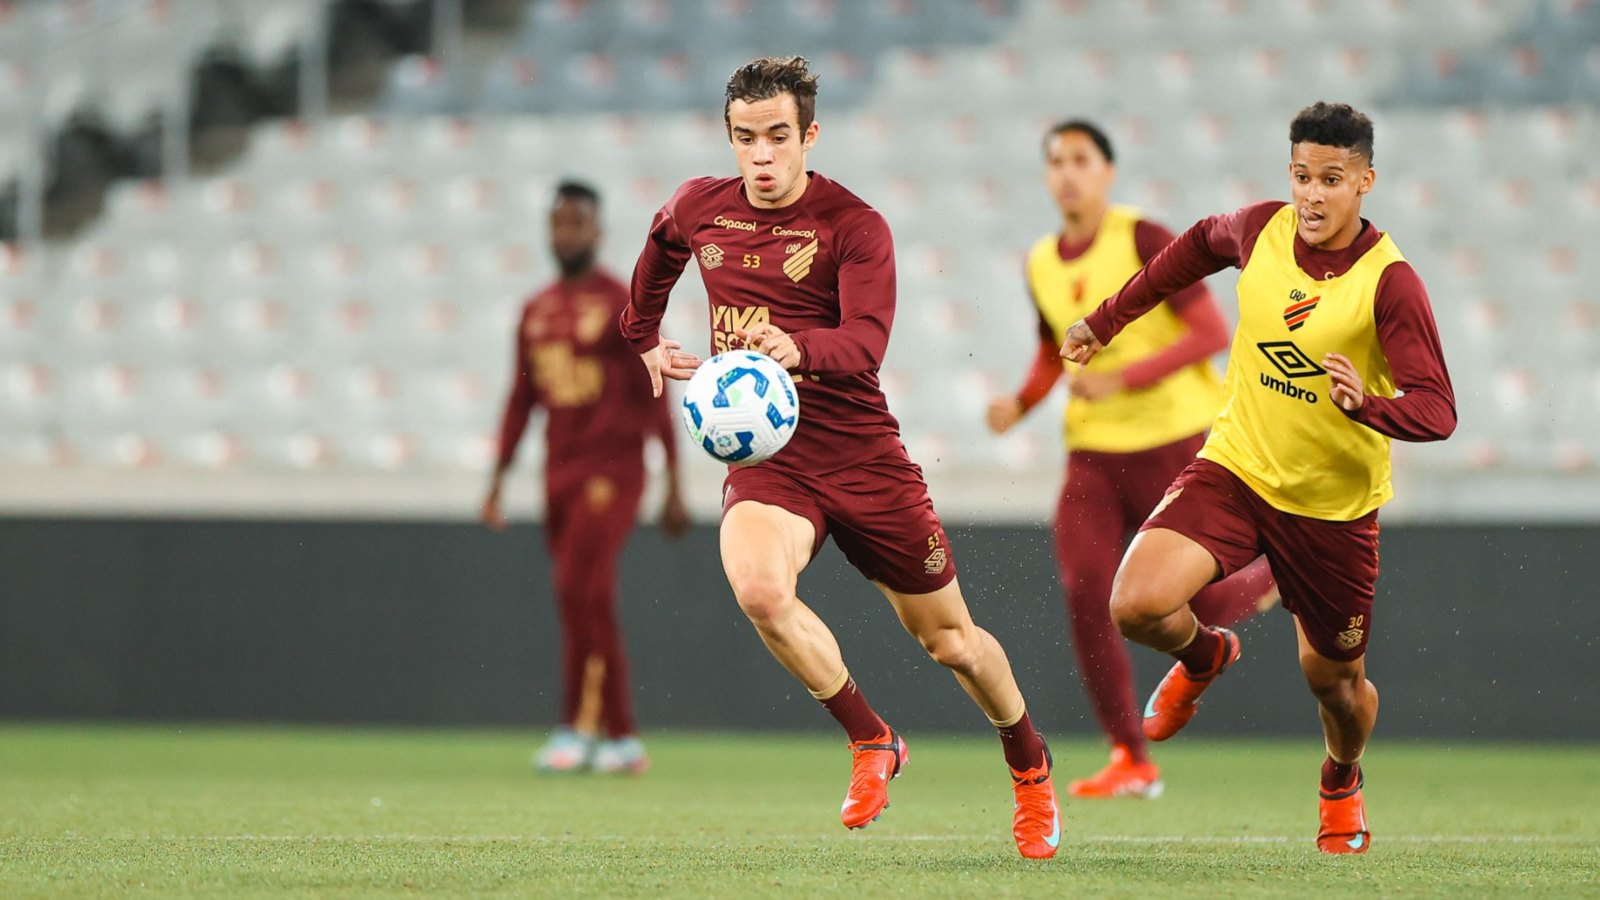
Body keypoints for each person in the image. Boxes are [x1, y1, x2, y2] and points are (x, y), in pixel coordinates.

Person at [620, 56, 1061, 859]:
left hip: (863, 458)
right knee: (760, 590)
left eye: (777, 136)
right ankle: (871, 739)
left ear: (810, 135)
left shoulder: (854, 225)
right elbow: (660, 248)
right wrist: (641, 334)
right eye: (745, 138)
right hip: (771, 462)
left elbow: (866, 342)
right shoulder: (700, 206)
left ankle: (1029, 762)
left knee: (952, 642)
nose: (761, 154)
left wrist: (799, 347)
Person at [1060, 102, 1456, 853]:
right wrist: (1107, 319)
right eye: (1302, 176)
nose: (1312, 194)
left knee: (1336, 688)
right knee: (1135, 604)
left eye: (1331, 179)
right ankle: (1205, 654)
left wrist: (1367, 405)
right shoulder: (1260, 229)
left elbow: (1438, 409)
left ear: (1365, 182)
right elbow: (1190, 250)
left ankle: (1341, 776)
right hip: (1235, 470)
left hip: (1331, 510)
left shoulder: (1389, 282)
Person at [987, 120, 1279, 800]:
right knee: (1087, 591)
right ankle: (1130, 756)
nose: (1067, 173)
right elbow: (1053, 350)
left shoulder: (1142, 237)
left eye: (1080, 159)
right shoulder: (1041, 261)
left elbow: (1210, 331)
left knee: (1198, 599)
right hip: (1093, 453)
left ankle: (1278, 571)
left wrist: (1123, 378)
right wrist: (1022, 403)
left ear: (1108, 171)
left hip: (1176, 444)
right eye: (1056, 161)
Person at [484, 179, 689, 776]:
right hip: (559, 472)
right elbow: (521, 400)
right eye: (558, 223)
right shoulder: (536, 310)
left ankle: (589, 729)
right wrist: (497, 480)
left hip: (613, 472)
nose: (566, 234)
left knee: (581, 589)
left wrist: (674, 481)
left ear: (597, 230)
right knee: (579, 597)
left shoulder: (623, 305)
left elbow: (654, 394)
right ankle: (615, 737)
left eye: (577, 222)